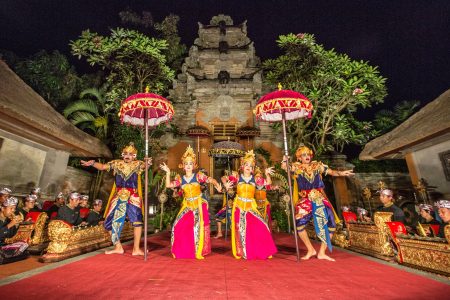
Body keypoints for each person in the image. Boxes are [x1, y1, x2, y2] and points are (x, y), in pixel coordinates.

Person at [282, 145, 354, 261]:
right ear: (299, 157)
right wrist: (285, 159)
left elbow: (332, 172)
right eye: (304, 155)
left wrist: (342, 173)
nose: (307, 157)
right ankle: (310, 249)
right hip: (305, 200)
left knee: (331, 225)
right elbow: (285, 167)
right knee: (299, 224)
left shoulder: (317, 166)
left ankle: (321, 252)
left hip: (320, 198)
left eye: (308, 154)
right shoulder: (297, 167)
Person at [81, 142, 150, 256]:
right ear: (122, 154)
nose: (128, 155)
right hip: (118, 197)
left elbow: (145, 166)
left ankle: (136, 249)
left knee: (137, 222)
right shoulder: (116, 163)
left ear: (134, 156)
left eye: (130, 154)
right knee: (108, 222)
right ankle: (118, 247)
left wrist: (148, 162)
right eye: (126, 153)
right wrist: (92, 163)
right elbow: (103, 167)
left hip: (133, 197)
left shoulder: (138, 164)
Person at [160, 145, 224, 259]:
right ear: (183, 166)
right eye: (186, 164)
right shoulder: (180, 178)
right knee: (177, 225)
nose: (188, 166)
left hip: (199, 204)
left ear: (193, 166)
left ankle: (199, 250)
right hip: (187, 205)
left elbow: (210, 179)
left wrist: (217, 185)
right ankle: (184, 250)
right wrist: (168, 173)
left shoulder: (199, 176)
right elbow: (169, 185)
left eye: (190, 163)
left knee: (197, 227)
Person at [228, 150, 277, 260]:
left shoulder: (256, 179)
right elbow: (226, 181)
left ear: (253, 168)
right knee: (241, 229)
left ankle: (263, 249)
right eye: (246, 164)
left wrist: (267, 173)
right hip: (239, 206)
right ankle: (244, 251)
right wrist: (226, 185)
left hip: (250, 206)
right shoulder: (237, 176)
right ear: (242, 166)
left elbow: (268, 183)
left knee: (262, 225)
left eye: (251, 166)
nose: (248, 167)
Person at [0, 197, 28, 263]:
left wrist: (16, 225)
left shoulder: (8, 220)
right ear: (2, 208)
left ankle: (6, 256)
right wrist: (10, 225)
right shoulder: (9, 222)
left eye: (14, 209)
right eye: (11, 208)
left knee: (24, 245)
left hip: (4, 245)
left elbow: (11, 236)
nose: (13, 211)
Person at [214, 171, 238, 239]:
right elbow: (222, 179)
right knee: (218, 217)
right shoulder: (226, 186)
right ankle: (219, 233)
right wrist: (223, 188)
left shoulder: (237, 186)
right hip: (227, 207)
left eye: (234, 175)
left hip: (236, 207)